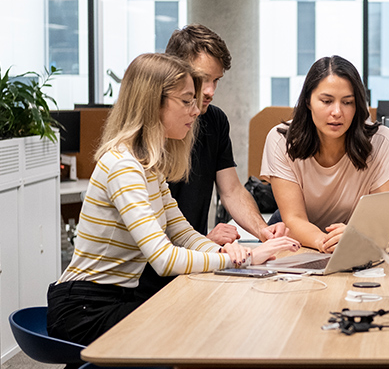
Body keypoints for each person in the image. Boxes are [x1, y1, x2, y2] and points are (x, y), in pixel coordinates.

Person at [47, 53, 300, 345]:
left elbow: (183, 233)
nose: (195, 111)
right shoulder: (123, 166)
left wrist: (236, 254)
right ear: (153, 103)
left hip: (114, 299)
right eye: (186, 101)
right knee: (200, 329)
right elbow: (164, 258)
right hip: (85, 307)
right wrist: (238, 260)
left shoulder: (149, 166)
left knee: (209, 318)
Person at [135, 24, 290, 301]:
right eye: (201, 79)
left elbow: (231, 190)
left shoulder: (214, 121)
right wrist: (210, 245)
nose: (209, 91)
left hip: (187, 264)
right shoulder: (139, 149)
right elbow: (153, 249)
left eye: (216, 81)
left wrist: (261, 230)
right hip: (151, 277)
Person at [260, 55, 389, 253]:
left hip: (355, 238)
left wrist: (356, 234)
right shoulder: (281, 141)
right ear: (308, 101)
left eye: (347, 102)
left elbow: (383, 218)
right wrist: (325, 241)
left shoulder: (381, 141)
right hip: (298, 237)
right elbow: (294, 219)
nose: (337, 112)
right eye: (327, 101)